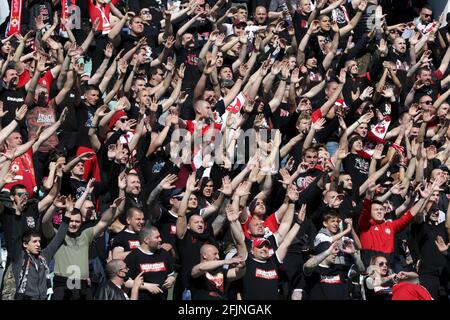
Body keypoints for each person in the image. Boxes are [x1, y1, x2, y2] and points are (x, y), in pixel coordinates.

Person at [123, 225, 175, 300]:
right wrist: (147, 286)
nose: (160, 239)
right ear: (146, 240)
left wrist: (170, 280)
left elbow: (171, 275)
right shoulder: (133, 256)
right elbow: (126, 282)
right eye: (157, 237)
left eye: (160, 237)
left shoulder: (164, 254)